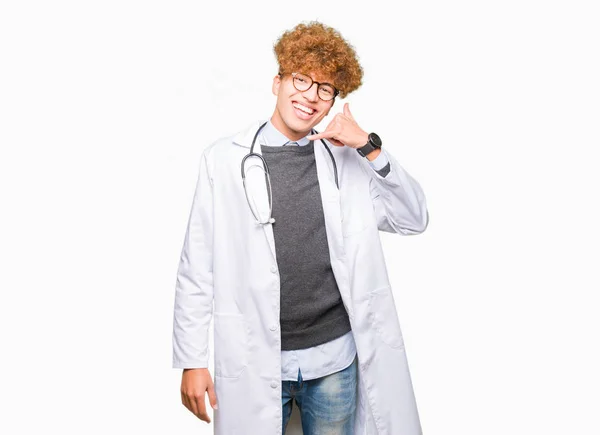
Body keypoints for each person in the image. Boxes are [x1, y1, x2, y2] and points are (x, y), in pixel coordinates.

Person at [172, 21, 429, 435]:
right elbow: (196, 266)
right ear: (277, 82)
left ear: (332, 102)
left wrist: (368, 145)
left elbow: (412, 218)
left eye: (325, 89)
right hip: (256, 358)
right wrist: (192, 359)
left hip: (334, 361)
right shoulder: (222, 160)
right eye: (301, 79)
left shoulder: (347, 161)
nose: (310, 96)